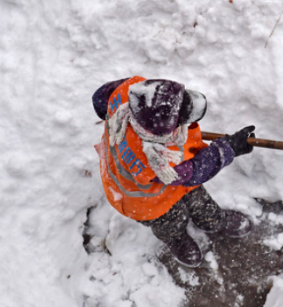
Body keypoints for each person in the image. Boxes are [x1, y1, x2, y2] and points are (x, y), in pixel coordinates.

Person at [92, 76, 255, 267]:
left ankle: (213, 220)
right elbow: (195, 171)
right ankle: (177, 239)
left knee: (200, 201)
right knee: (170, 220)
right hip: (144, 200)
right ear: (158, 136)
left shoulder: (133, 91)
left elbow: (99, 100)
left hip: (174, 180)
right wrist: (229, 148)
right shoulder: (156, 159)